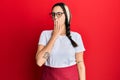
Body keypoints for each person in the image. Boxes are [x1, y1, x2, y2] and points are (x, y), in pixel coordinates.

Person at [35, 2, 86, 80]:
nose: (55, 17)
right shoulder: (45, 34)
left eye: (59, 14)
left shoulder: (76, 37)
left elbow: (80, 63)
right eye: (53, 14)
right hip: (49, 77)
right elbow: (40, 62)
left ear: (66, 16)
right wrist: (54, 36)